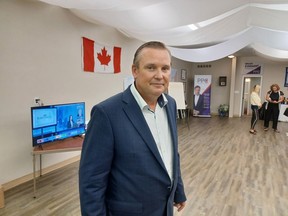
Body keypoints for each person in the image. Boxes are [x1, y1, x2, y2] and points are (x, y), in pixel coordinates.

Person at [79, 41, 186, 216]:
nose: (160, 75)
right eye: (151, 68)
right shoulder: (106, 113)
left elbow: (171, 153)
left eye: (165, 69)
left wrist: (178, 190)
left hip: (164, 209)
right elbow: (91, 182)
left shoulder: (170, 105)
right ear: (135, 71)